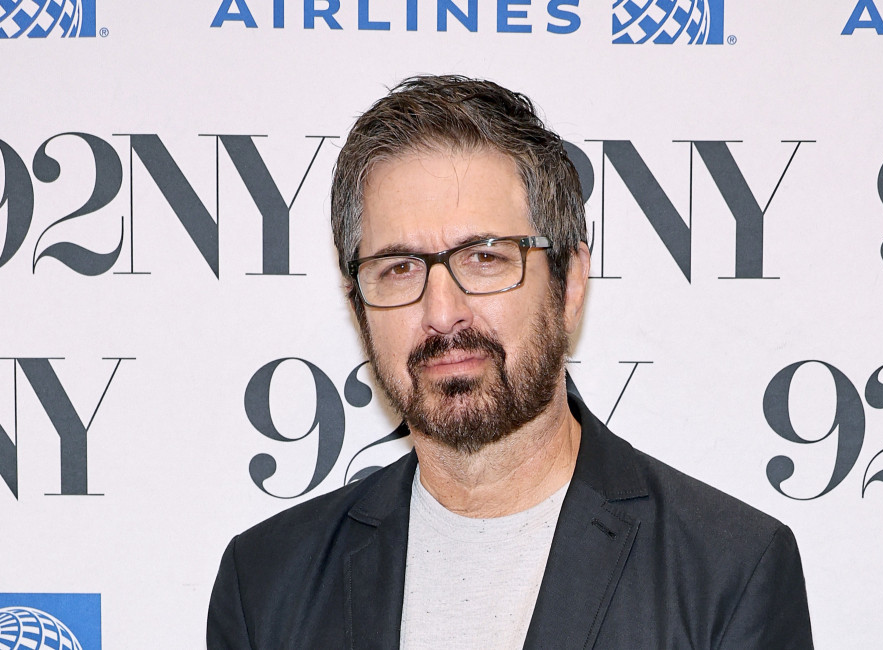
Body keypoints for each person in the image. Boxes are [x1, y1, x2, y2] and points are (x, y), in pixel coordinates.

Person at [207, 75, 813, 649]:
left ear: (569, 284)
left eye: (485, 258)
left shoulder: (729, 573)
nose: (443, 313)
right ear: (358, 307)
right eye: (399, 268)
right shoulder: (264, 585)